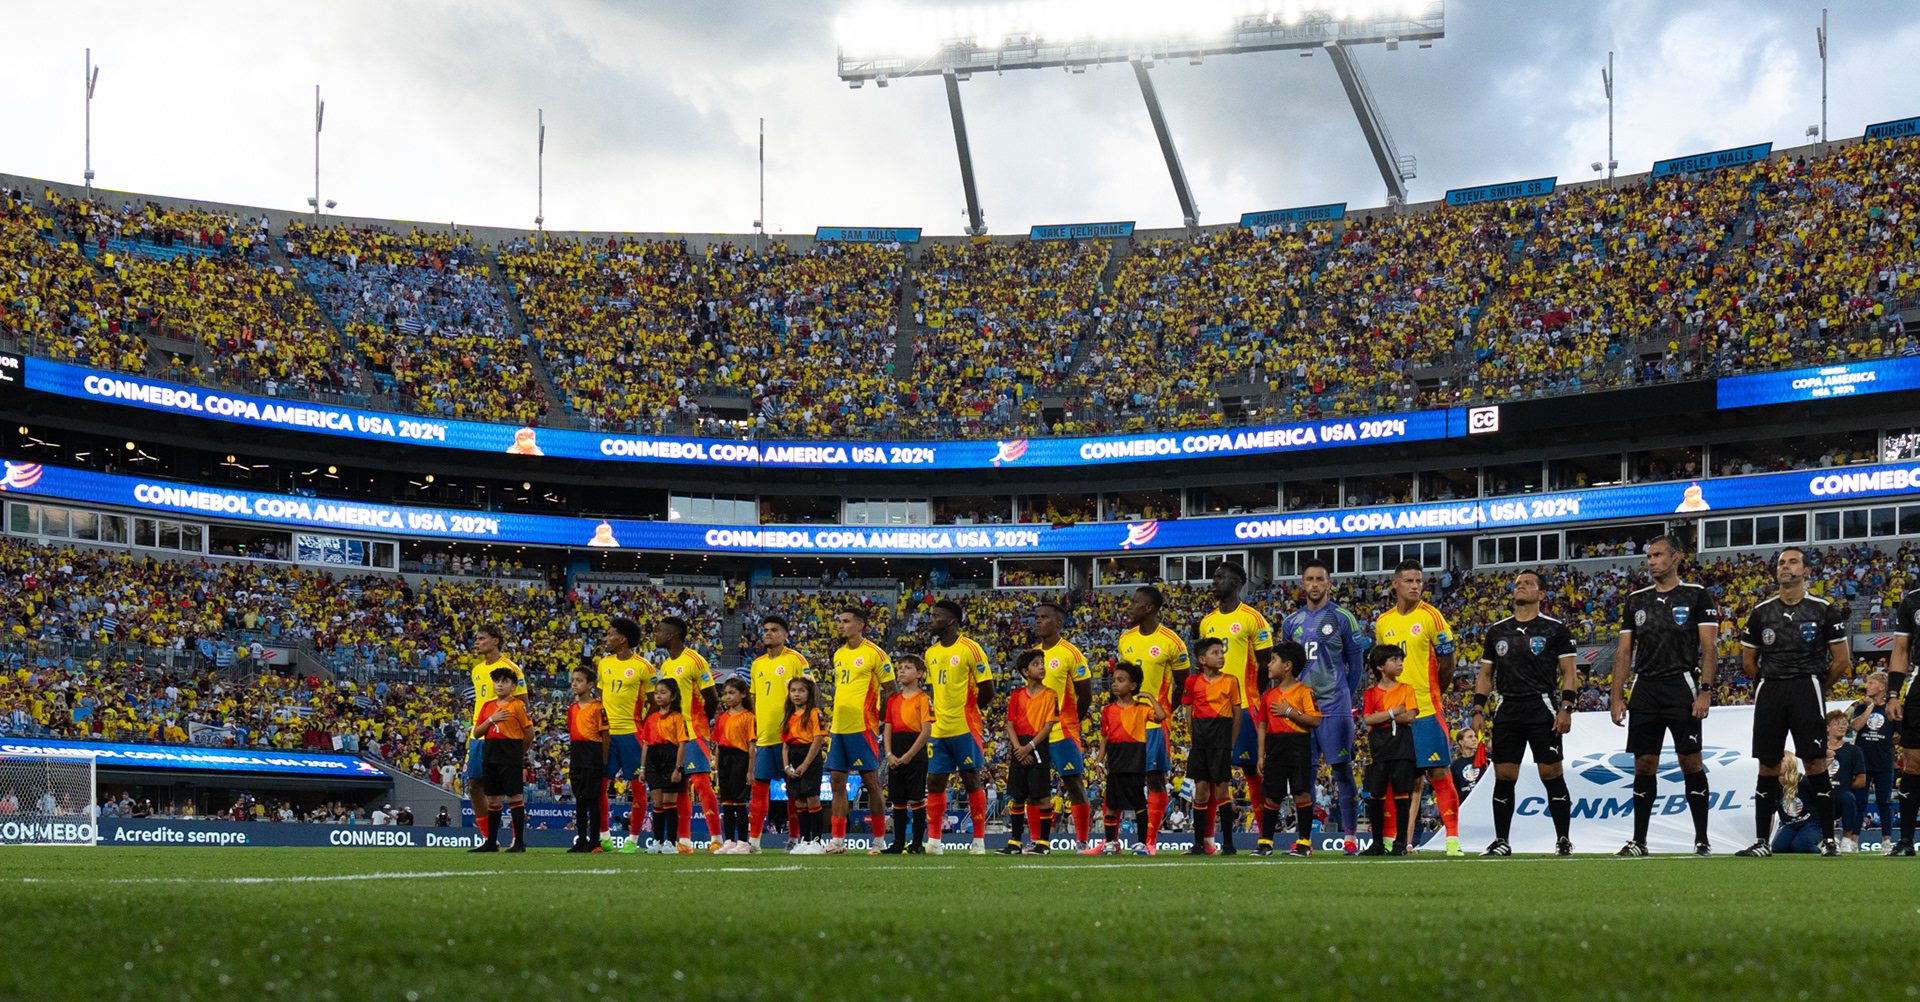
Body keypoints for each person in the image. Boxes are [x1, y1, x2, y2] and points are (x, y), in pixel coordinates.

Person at [1606, 535, 1719, 857]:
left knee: (1690, 761)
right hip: (1645, 688)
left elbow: (1709, 647)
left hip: (1682, 686)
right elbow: (1624, 652)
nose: (1651, 561)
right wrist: (1616, 697)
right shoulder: (1636, 600)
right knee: (1643, 764)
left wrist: (1705, 693)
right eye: (1649, 555)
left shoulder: (1696, 595)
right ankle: (1639, 841)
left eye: (1657, 555)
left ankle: (1701, 839)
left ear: (1676, 558)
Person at [1735, 546, 1850, 858]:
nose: (1786, 567)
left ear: (1806, 571)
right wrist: (1770, 684)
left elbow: (1841, 660)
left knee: (1813, 762)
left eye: (1793, 562)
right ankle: (1761, 842)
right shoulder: (1761, 612)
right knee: (1768, 763)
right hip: (1771, 690)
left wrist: (1814, 686)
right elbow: (1749, 661)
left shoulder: (1823, 609)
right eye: (1781, 563)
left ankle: (1828, 840)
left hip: (1806, 688)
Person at [1470, 569, 1578, 857]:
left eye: (1528, 583)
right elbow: (1485, 674)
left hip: (1541, 708)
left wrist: (1566, 708)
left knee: (1551, 773)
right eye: (1517, 583)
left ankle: (1563, 839)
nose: (1520, 586)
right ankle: (1501, 841)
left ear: (1541, 594)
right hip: (1507, 710)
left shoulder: (1555, 630)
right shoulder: (1497, 631)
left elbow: (1569, 672)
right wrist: (1478, 707)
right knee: (1504, 776)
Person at [1372, 559, 1464, 856]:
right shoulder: (1383, 622)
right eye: (1409, 581)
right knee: (1396, 779)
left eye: (1419, 581)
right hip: (1394, 716)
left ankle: (1452, 840)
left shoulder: (1433, 617)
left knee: (1438, 772)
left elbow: (1448, 665)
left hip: (1425, 710)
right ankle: (1392, 841)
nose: (1415, 586)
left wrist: (1434, 694)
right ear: (1395, 584)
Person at [1280, 558, 1365, 854]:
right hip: (1302, 710)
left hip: (1334, 707)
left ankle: (1351, 838)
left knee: (1342, 771)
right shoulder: (1291, 623)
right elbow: (1287, 668)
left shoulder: (1344, 618)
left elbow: (1356, 666)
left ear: (1329, 584)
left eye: (1320, 579)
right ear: (1301, 585)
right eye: (1310, 579)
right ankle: (1304, 841)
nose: (1315, 584)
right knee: (1304, 775)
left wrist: (1343, 696)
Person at [1197, 561, 1271, 856]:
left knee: (1253, 771)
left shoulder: (1253, 619)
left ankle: (1264, 838)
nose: (1214, 581)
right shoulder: (1206, 622)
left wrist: (1254, 695)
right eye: (1214, 577)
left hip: (1245, 707)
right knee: (1212, 775)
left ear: (1238, 582)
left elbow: (1265, 664)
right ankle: (1206, 842)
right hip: (1212, 711)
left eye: (1220, 577)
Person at [1115, 585, 1188, 856]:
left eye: (1135, 602)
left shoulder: (1171, 641)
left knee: (1155, 779)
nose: (1130, 606)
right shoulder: (1125, 639)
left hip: (1155, 724)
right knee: (1126, 781)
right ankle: (1118, 840)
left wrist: (1165, 713)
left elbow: (1183, 683)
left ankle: (1150, 842)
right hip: (1128, 722)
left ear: (1149, 608)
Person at [919, 599, 994, 856]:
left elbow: (988, 689)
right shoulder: (930, 653)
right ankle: (935, 841)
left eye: (935, 616)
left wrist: (971, 711)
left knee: (971, 779)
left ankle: (979, 841)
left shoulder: (970, 649)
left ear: (950, 621)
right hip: (939, 729)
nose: (930, 620)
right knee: (935, 781)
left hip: (964, 727)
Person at [824, 608, 894, 855]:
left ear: (860, 625)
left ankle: (878, 840)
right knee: (836, 782)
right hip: (838, 727)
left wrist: (881, 721)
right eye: (839, 621)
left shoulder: (875, 653)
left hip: (863, 727)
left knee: (871, 782)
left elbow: (891, 690)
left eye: (845, 621)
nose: (840, 626)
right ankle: (837, 841)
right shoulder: (839, 654)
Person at [652, 616, 722, 853]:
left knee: (702, 783)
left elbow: (712, 698)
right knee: (679, 788)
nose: (657, 634)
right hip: (673, 736)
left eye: (660, 630)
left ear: (672, 635)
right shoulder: (665, 665)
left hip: (694, 732)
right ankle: (684, 840)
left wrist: (701, 725)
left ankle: (716, 838)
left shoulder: (695, 659)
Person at [1033, 600, 1095, 851]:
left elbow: (1086, 695)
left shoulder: (1071, 653)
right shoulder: (1032, 656)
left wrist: (1072, 722)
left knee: (1073, 783)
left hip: (1063, 731)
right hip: (1036, 733)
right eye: (1037, 616)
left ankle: (1081, 841)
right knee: (1034, 788)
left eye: (1044, 617)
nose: (1037, 620)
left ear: (1058, 624)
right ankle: (1038, 842)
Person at [746, 615, 811, 852]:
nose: (768, 633)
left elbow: (809, 692)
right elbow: (754, 698)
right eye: (765, 630)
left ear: (785, 635)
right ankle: (754, 842)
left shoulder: (796, 659)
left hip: (790, 736)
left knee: (793, 790)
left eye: (774, 630)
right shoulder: (757, 664)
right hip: (764, 736)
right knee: (759, 787)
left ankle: (794, 839)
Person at [1087, 660, 1165, 856]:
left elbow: (1161, 715)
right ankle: (1111, 842)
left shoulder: (1141, 708)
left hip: (1135, 762)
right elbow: (1104, 739)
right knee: (1111, 804)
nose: (1115, 684)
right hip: (1115, 762)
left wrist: (1149, 697)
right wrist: (1099, 761)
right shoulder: (1107, 710)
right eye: (1114, 680)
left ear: (1133, 686)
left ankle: (1141, 843)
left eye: (1120, 680)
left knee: (1138, 803)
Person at [1253, 641, 1321, 857]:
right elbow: (1263, 724)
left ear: (1287, 666)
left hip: (1298, 747)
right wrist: (1260, 755)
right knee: (1272, 797)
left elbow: (1315, 720)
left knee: (1301, 794)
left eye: (1273, 660)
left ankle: (1303, 844)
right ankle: (1265, 843)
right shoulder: (1268, 695)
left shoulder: (1304, 692)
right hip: (1275, 748)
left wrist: (1289, 712)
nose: (1268, 665)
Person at [1181, 636, 1242, 856]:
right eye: (1215, 653)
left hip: (1221, 744)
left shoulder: (1231, 681)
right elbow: (1188, 710)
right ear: (1202, 659)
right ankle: (1198, 844)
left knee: (1222, 791)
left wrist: (1230, 744)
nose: (1221, 656)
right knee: (1200, 793)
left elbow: (1237, 715)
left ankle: (1228, 844)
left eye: (1222, 652)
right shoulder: (1192, 682)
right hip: (1200, 744)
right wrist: (1193, 736)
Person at [462, 624, 521, 847]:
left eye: (481, 638)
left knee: (510, 790)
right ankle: (489, 839)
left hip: (504, 737)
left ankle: (518, 839)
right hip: (479, 734)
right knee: (475, 786)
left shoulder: (510, 668)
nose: (476, 642)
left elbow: (521, 703)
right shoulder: (477, 670)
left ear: (495, 641)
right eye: (476, 639)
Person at [1359, 644, 1419, 857]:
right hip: (1378, 746)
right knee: (1376, 793)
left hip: (1402, 744)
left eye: (1400, 659)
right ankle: (1377, 844)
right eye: (1394, 660)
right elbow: (1367, 719)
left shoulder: (1406, 689)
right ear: (1380, 666)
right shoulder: (1371, 693)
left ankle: (1400, 844)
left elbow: (1410, 716)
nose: (1400, 663)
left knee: (1402, 792)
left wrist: (1381, 715)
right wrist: (1394, 711)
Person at [597, 617, 650, 852]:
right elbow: (600, 699)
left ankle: (633, 840)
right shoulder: (603, 664)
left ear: (622, 639)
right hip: (607, 735)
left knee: (637, 787)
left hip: (632, 734)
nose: (605, 638)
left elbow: (654, 703)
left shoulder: (644, 667)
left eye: (609, 634)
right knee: (600, 786)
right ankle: (604, 836)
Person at [467, 667, 531, 853]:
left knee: (514, 797)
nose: (500, 685)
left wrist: (519, 753)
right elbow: (477, 732)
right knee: (493, 800)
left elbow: (529, 732)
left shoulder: (517, 706)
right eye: (497, 681)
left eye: (505, 681)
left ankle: (519, 842)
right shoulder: (488, 706)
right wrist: (492, 720)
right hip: (490, 753)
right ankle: (491, 842)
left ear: (513, 686)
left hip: (510, 753)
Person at [1003, 650, 1059, 855]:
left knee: (1042, 796)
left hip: (1038, 746)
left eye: (1042, 663)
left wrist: (1029, 747)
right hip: (1019, 746)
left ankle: (1043, 843)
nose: (1042, 667)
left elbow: (1048, 726)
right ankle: (1015, 842)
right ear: (1026, 672)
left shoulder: (1051, 695)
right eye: (1036, 664)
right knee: (1018, 797)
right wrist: (1018, 748)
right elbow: (1010, 725)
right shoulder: (1016, 695)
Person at [879, 655, 932, 854]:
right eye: (899, 667)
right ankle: (898, 843)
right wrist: (889, 754)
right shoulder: (893, 701)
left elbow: (926, 731)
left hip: (915, 755)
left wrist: (909, 755)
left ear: (919, 674)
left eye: (907, 667)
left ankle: (917, 843)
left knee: (916, 799)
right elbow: (887, 730)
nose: (901, 671)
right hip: (896, 753)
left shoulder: (924, 700)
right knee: (898, 799)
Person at [1846, 671, 1898, 850]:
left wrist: (1885, 740)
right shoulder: (1861, 708)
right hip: (1862, 762)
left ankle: (1886, 841)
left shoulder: (1891, 709)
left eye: (1871, 683)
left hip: (1884, 762)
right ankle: (1853, 841)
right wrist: (1869, 708)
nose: (1866, 686)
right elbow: (1856, 726)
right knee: (1859, 802)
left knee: (1884, 802)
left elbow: (1899, 734)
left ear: (1882, 687)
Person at [640, 679, 691, 854]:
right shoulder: (651, 717)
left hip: (670, 758)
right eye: (656, 693)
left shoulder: (678, 718)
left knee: (670, 803)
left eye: (663, 692)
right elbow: (646, 743)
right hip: (653, 759)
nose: (659, 696)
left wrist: (678, 768)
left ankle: (670, 842)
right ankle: (657, 842)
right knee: (657, 803)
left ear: (673, 696)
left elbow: (682, 744)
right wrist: (642, 768)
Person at [565, 666, 609, 853]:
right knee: (580, 799)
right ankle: (581, 839)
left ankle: (595, 841)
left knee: (592, 800)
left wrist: (603, 760)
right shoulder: (572, 709)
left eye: (579, 680)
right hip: (577, 755)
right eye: (573, 680)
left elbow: (605, 735)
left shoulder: (598, 708)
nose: (575, 684)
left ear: (590, 685)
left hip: (592, 754)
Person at [782, 676, 827, 854]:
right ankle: (805, 840)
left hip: (809, 757)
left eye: (801, 690)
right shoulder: (788, 716)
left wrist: (805, 764)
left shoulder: (815, 713)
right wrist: (787, 767)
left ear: (809, 693)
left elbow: (818, 740)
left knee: (811, 797)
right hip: (793, 757)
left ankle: (816, 841)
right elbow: (785, 746)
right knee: (799, 801)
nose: (797, 694)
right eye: (793, 691)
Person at [713, 677, 756, 854]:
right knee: (727, 802)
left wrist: (750, 770)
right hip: (724, 759)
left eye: (732, 693)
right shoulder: (721, 718)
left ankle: (743, 842)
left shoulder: (748, 717)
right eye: (725, 694)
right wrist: (716, 769)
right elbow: (717, 745)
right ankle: (729, 840)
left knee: (739, 802)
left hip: (740, 758)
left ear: (743, 694)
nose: (727, 697)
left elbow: (751, 746)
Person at [1824, 709, 1867, 853]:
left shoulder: (1854, 751)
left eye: (1844, 723)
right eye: (1837, 723)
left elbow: (1861, 781)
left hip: (1841, 797)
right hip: (1821, 795)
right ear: (1827, 728)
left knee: (1848, 797)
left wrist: (1844, 786)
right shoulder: (1819, 749)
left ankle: (1846, 840)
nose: (1842, 726)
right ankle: (1825, 838)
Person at [1766, 753, 1824, 854]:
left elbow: (1823, 804)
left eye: (1780, 761)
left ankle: (1823, 847)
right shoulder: (1774, 786)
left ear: (1789, 763)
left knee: (1801, 846)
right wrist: (1765, 840)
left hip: (1811, 822)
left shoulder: (1804, 782)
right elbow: (1771, 814)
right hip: (1789, 824)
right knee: (1778, 848)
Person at [1450, 730, 1486, 801]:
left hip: (1483, 800)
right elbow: (1454, 789)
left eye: (1475, 736)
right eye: (1470, 737)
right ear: (1461, 742)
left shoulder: (1485, 759)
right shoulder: (1455, 765)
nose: (1474, 739)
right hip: (1465, 803)